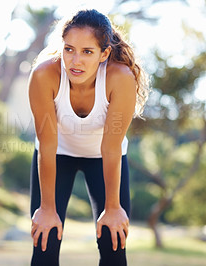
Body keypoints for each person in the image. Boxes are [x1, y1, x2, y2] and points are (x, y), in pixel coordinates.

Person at [28, 9, 149, 266]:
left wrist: (114, 208)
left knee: (113, 243)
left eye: (87, 52)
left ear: (104, 54)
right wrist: (47, 208)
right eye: (69, 49)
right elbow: (47, 145)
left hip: (103, 157)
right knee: (45, 241)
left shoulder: (120, 78)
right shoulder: (43, 75)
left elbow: (111, 148)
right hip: (56, 154)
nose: (75, 61)